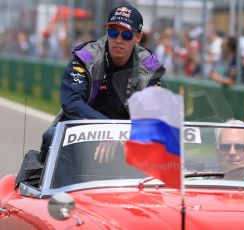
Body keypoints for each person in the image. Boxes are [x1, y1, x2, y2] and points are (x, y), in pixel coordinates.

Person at [15, 4, 165, 187]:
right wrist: (106, 128)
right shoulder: (87, 56)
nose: (118, 39)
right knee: (52, 135)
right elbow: (71, 103)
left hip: (126, 136)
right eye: (113, 33)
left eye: (126, 35)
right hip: (82, 131)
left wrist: (119, 133)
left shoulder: (149, 67)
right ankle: (62, 198)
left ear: (138, 37)